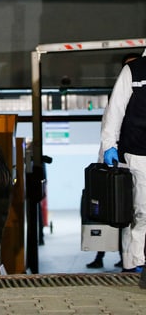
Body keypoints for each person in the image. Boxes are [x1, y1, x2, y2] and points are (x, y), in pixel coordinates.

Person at [86, 52, 141, 270]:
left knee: (135, 216)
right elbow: (110, 126)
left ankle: (131, 261)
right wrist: (105, 162)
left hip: (134, 159)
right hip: (122, 164)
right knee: (126, 215)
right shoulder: (119, 97)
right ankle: (130, 263)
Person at [101, 48, 146, 274]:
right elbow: (115, 110)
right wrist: (109, 145)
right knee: (143, 211)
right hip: (139, 153)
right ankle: (139, 263)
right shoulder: (134, 71)